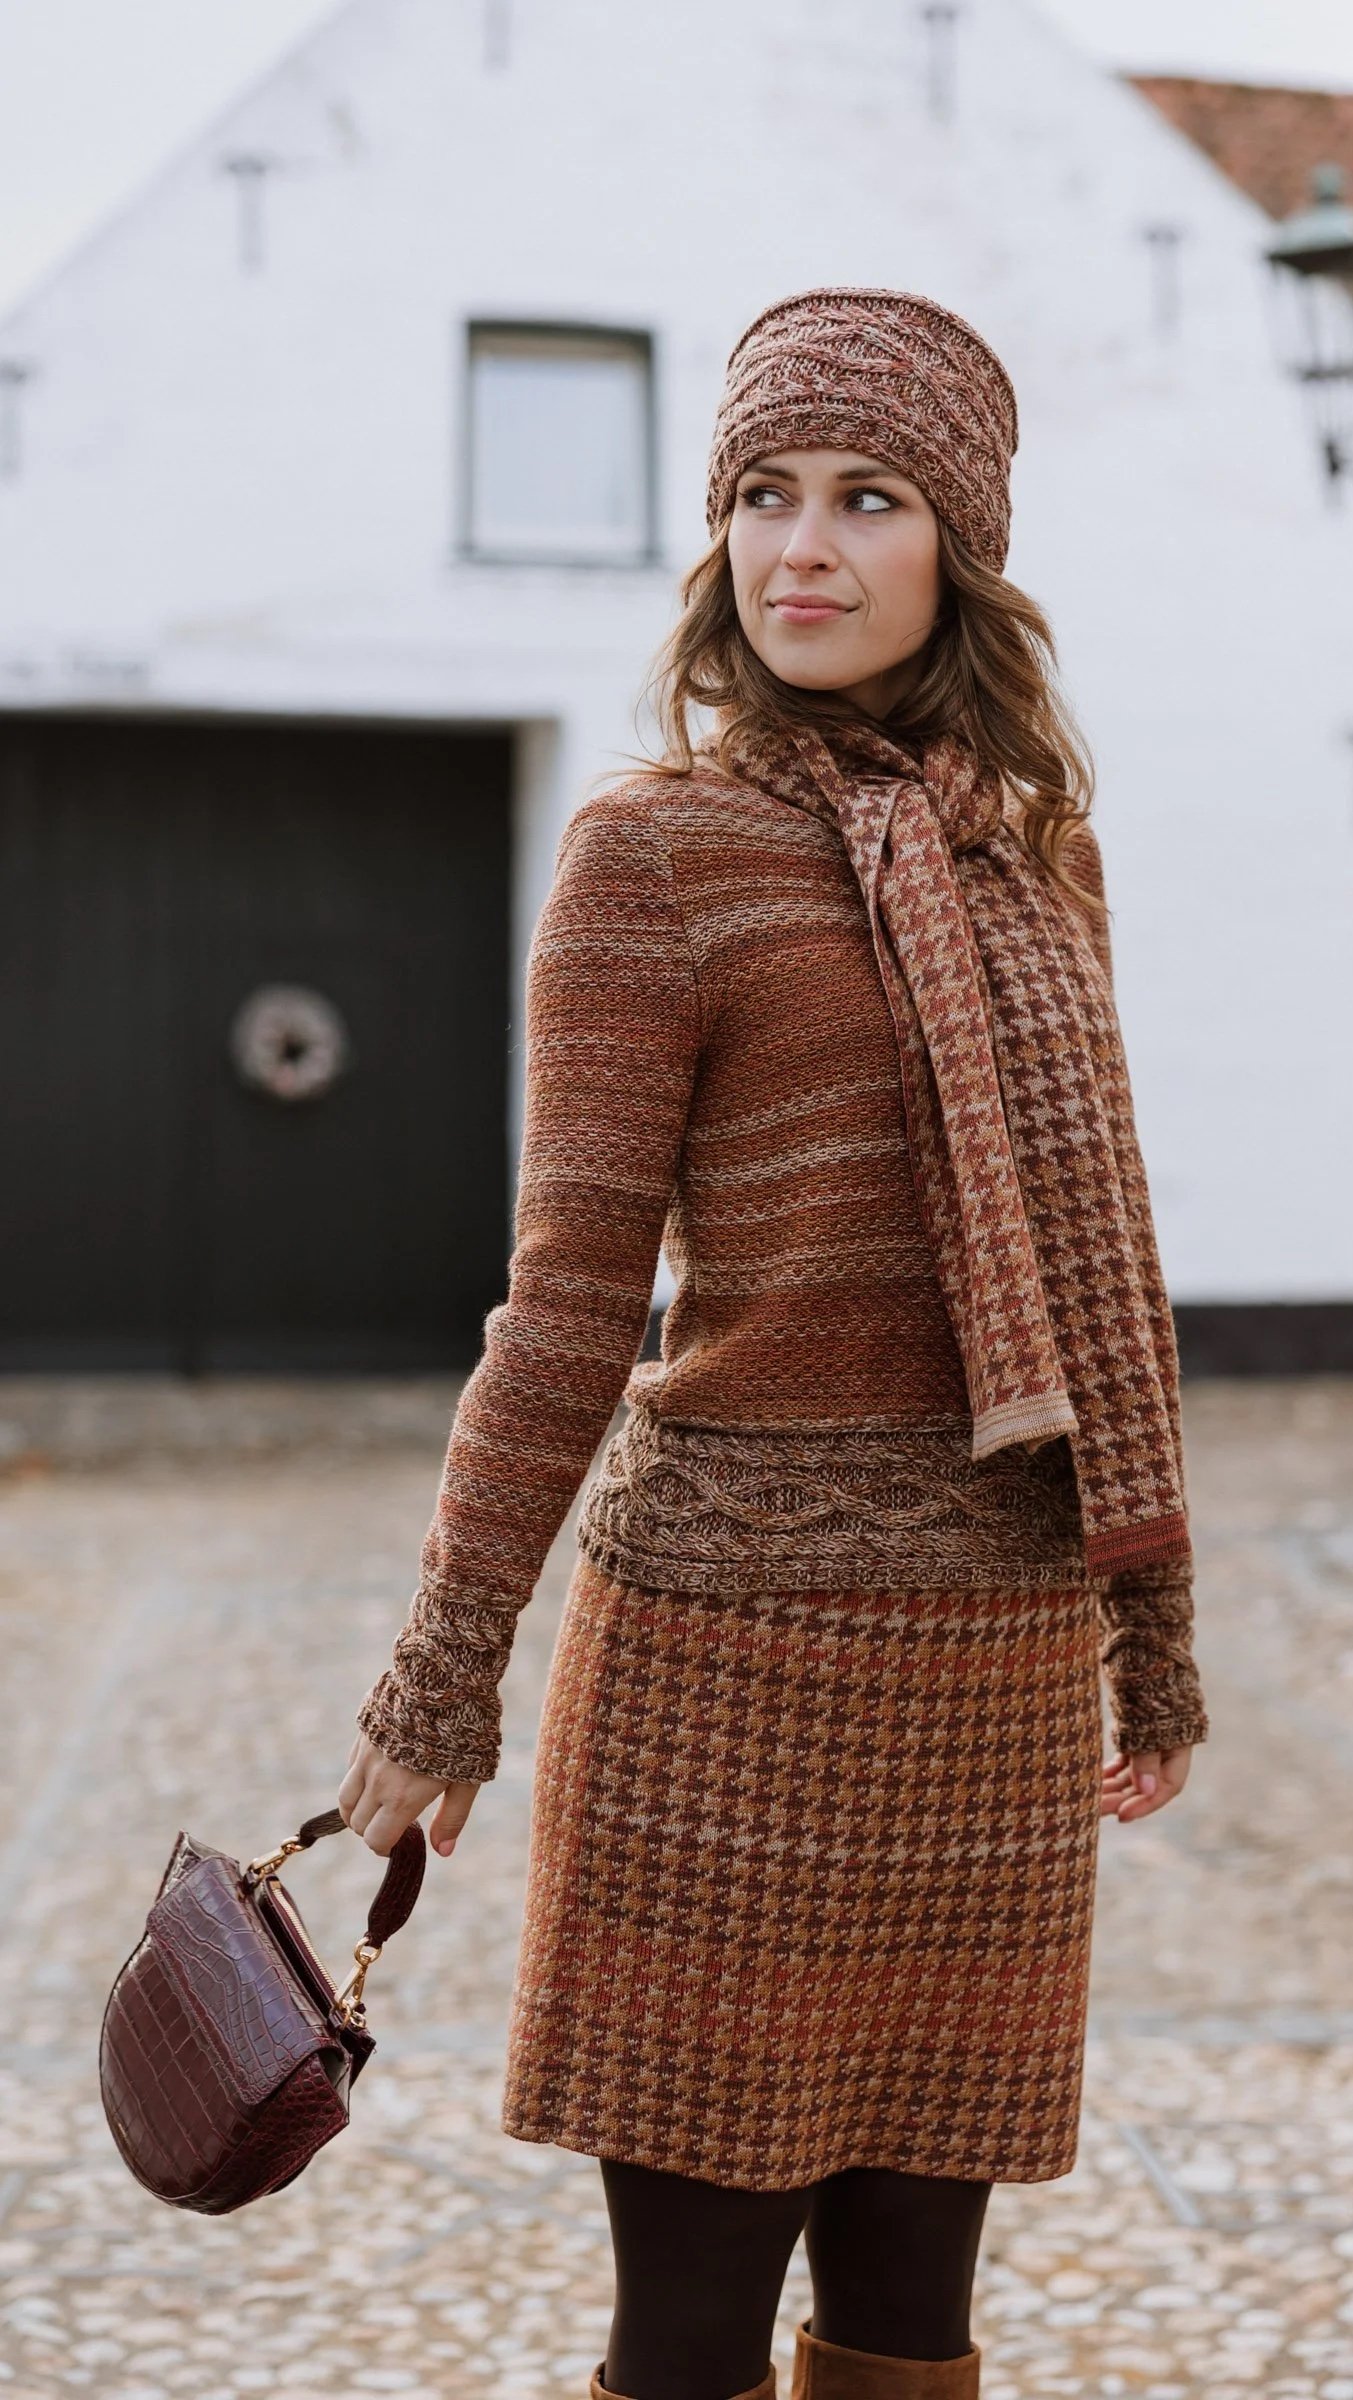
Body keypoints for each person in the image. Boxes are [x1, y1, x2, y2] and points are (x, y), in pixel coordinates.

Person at [339, 288, 1210, 2400]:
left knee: (914, 2316)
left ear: (956, 549)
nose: (796, 545)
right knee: (692, 2325)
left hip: (990, 1676)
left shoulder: (1034, 859)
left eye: (863, 495)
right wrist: (440, 1676)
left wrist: (1148, 1625)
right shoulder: (648, 857)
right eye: (757, 493)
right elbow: (561, 1302)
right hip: (722, 1678)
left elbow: (1108, 1257)